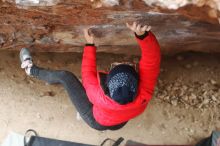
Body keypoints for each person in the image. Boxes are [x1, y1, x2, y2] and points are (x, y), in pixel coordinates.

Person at [19, 22, 161, 131]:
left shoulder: (95, 94)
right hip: (119, 123)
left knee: (65, 77)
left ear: (107, 85)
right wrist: (143, 36)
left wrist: (89, 44)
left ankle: (31, 70)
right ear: (137, 82)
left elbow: (87, 72)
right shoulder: (144, 93)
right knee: (111, 106)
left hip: (95, 119)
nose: (122, 62)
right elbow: (152, 60)